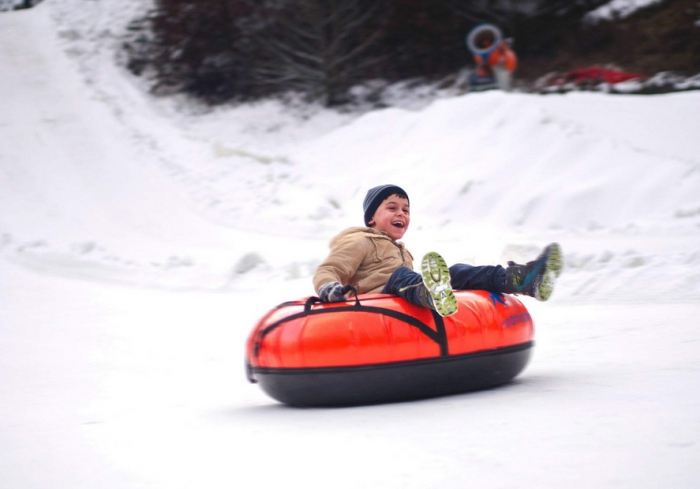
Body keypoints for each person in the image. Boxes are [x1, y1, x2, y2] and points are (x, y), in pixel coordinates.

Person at [313, 184, 562, 316]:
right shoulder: (359, 240)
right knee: (400, 276)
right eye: (392, 208)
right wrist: (328, 288)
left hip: (403, 294)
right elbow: (330, 268)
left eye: (406, 210)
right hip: (375, 301)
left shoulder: (401, 250)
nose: (401, 213)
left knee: (458, 271)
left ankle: (523, 279)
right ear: (371, 219)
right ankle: (431, 293)